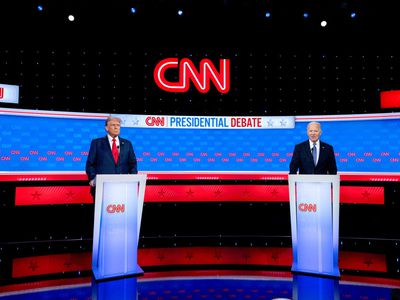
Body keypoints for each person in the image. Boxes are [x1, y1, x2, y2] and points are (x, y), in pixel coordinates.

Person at [86, 116, 137, 198]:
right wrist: (93, 178)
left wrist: (132, 179)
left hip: (123, 187)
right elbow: (90, 164)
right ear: (106, 128)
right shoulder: (97, 143)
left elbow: (133, 163)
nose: (116, 127)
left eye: (118, 125)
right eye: (113, 125)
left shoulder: (127, 144)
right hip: (102, 186)